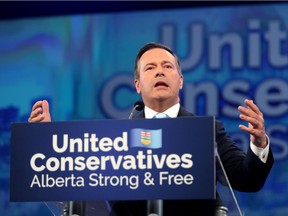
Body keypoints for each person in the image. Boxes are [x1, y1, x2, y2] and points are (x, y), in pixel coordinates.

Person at [28, 42, 274, 216]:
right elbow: (83, 189)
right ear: (137, 85)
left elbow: (246, 179)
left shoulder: (205, 131)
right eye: (150, 67)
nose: (159, 71)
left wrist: (259, 143)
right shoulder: (114, 140)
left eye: (167, 66)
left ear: (180, 80)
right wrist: (46, 145)